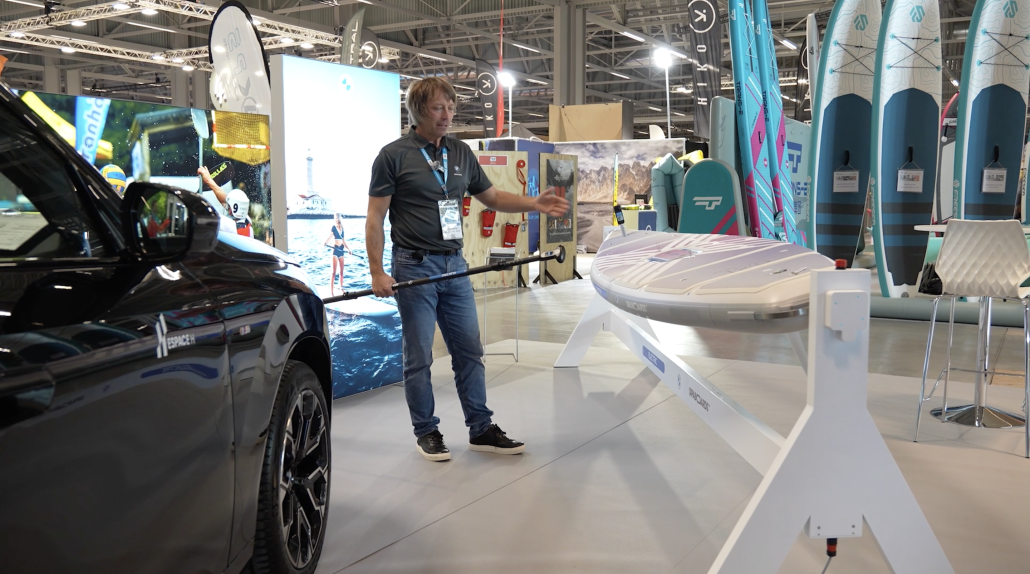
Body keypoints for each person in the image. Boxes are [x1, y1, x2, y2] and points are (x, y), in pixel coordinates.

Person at [367, 76, 570, 462]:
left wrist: (534, 204)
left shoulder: (460, 152)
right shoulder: (393, 156)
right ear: (418, 112)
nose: (447, 115)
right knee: (419, 357)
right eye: (437, 108)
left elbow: (491, 197)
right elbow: (375, 216)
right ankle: (426, 431)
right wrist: (378, 272)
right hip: (414, 267)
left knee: (470, 352)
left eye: (451, 107)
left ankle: (481, 428)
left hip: (455, 266)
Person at [323, 213, 353, 295]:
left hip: (341, 251)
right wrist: (325, 242)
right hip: (335, 251)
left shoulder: (342, 228)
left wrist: (349, 249)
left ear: (339, 218)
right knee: (333, 273)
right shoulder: (333, 227)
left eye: (337, 218)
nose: (336, 219)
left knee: (341, 272)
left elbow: (343, 241)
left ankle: (341, 288)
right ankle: (332, 292)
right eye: (335, 218)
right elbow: (329, 237)